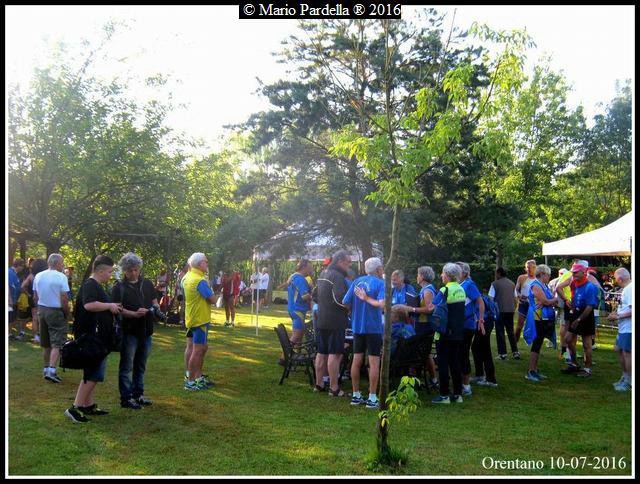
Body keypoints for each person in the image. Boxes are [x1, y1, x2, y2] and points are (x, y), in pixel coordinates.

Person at [65, 255, 122, 423]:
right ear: (101, 271)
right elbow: (89, 305)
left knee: (91, 372)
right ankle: (74, 408)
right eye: (110, 272)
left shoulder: (95, 285)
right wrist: (109, 305)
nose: (110, 275)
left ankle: (87, 405)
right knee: (94, 374)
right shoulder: (90, 284)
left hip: (97, 337)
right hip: (91, 338)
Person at [111, 253, 158, 410]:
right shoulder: (118, 287)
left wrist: (152, 310)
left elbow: (155, 303)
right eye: (130, 270)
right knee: (127, 366)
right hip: (129, 331)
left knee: (141, 365)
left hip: (146, 331)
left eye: (136, 269)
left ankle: (138, 394)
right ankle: (126, 398)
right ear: (124, 270)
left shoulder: (147, 284)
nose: (133, 273)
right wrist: (134, 314)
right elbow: (117, 309)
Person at [342, 257, 385, 410]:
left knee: (357, 359)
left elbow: (345, 302)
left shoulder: (356, 282)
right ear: (378, 269)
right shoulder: (380, 283)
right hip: (373, 328)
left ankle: (356, 395)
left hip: (357, 327)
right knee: (374, 362)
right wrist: (366, 298)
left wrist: (355, 310)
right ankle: (372, 397)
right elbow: (381, 304)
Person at [394, 266, 439, 390]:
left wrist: (411, 308)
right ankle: (428, 380)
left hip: (425, 326)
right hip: (421, 325)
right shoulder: (424, 289)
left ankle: (430, 380)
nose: (417, 277)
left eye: (418, 274)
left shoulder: (428, 291)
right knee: (424, 353)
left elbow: (430, 309)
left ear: (423, 277)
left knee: (422, 352)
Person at [314, 250, 351, 397]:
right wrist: (349, 306)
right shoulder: (338, 276)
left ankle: (319, 384)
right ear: (340, 261)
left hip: (321, 319)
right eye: (348, 263)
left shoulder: (323, 273)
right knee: (334, 354)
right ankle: (334, 388)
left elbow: (314, 295)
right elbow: (340, 298)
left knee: (321, 352)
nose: (348, 266)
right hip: (335, 320)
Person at [431, 263, 467, 404]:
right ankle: (458, 394)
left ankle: (444, 395)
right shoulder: (461, 289)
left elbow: (433, 307)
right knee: (455, 362)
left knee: (443, 363)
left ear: (447, 275)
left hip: (444, 332)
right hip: (458, 331)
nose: (441, 275)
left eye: (443, 273)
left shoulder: (444, 290)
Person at [33, 254, 70, 383]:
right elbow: (64, 298)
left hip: (42, 309)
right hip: (55, 311)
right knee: (57, 342)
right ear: (58, 263)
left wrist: (38, 309)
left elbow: (35, 296)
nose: (63, 264)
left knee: (46, 342)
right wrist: (67, 312)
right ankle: (52, 371)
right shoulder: (61, 277)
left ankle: (45, 368)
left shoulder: (38, 275)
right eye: (62, 262)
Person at [183, 252, 217, 391]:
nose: (207, 264)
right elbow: (213, 299)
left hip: (191, 318)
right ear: (199, 263)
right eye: (205, 261)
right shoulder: (200, 280)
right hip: (200, 319)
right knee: (198, 350)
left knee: (191, 347)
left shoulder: (187, 277)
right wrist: (215, 291)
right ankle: (191, 382)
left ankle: (194, 376)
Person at [561, 262, 599, 377]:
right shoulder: (574, 283)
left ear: (583, 272)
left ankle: (587, 368)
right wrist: (569, 303)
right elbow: (572, 296)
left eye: (576, 272)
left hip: (586, 315)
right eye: (572, 272)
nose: (573, 274)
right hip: (576, 313)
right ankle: (574, 364)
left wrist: (579, 320)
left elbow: (589, 306)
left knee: (586, 344)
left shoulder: (590, 287)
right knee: (568, 339)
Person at [523, 265, 557, 382]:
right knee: (536, 344)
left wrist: (550, 301)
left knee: (539, 343)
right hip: (537, 318)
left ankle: (534, 369)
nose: (549, 277)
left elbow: (548, 301)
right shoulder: (536, 285)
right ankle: (531, 371)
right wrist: (555, 299)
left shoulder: (544, 285)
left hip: (544, 317)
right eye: (548, 275)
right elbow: (546, 301)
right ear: (542, 274)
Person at [456, 262, 485, 397]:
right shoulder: (459, 284)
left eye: (457, 270)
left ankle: (466, 385)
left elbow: (480, 301)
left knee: (463, 353)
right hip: (459, 325)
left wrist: (481, 319)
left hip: (467, 325)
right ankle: (460, 382)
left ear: (464, 273)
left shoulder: (469, 284)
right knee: (459, 353)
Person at [608, 268, 632, 391]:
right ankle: (625, 376)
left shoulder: (630, 289)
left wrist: (617, 316)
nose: (615, 281)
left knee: (627, 353)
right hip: (624, 327)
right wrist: (616, 314)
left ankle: (629, 381)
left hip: (629, 328)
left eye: (615, 279)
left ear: (619, 279)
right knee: (618, 349)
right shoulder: (627, 289)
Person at [489, 267, 518, 360]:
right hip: (510, 310)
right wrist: (514, 307)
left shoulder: (495, 284)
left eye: (496, 273)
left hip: (499, 311)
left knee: (500, 331)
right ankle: (515, 352)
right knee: (510, 331)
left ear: (499, 273)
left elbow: (490, 298)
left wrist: (491, 310)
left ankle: (502, 354)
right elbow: (515, 298)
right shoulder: (512, 283)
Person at [286, 260, 313, 345]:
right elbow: (304, 296)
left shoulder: (293, 277)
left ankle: (297, 352)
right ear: (304, 267)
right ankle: (286, 353)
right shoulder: (300, 279)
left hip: (293, 308)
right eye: (310, 268)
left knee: (300, 334)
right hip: (298, 310)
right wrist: (313, 297)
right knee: (296, 335)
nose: (311, 270)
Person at [21, 258, 48, 343]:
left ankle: (36, 337)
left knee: (35, 318)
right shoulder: (45, 275)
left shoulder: (31, 276)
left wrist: (28, 294)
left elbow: (22, 286)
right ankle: (42, 336)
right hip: (44, 299)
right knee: (42, 318)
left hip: (34, 298)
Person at [514, 260, 536, 349]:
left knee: (534, 326)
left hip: (534, 305)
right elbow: (516, 290)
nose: (529, 269)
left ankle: (534, 347)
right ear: (525, 268)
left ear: (535, 268)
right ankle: (514, 347)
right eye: (528, 267)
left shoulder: (538, 279)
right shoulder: (522, 277)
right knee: (519, 326)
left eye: (532, 267)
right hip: (523, 304)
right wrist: (519, 295)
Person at [8, 258, 25, 340]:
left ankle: (9, 333)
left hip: (14, 299)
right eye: (22, 266)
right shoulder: (10, 273)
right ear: (18, 265)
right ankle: (8, 334)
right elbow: (8, 286)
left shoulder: (14, 273)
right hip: (11, 299)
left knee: (12, 317)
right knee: (10, 317)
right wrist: (9, 299)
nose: (22, 268)